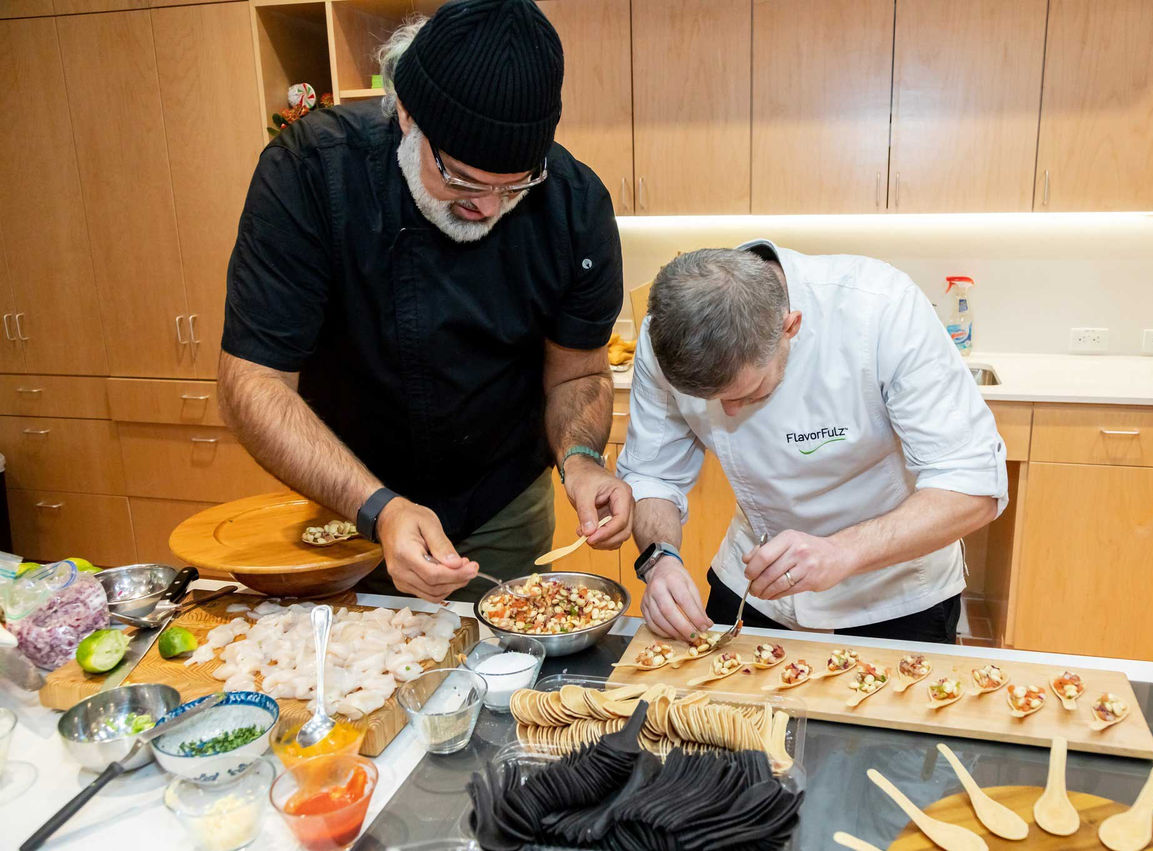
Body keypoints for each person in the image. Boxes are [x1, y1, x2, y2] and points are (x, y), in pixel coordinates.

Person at [219, 0, 633, 603]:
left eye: (514, 186)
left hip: (503, 503)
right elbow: (254, 380)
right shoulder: (311, 172)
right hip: (346, 501)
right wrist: (379, 509)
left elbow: (580, 374)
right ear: (407, 113)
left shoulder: (573, 204)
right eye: (461, 178)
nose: (486, 206)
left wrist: (581, 460)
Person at [618, 241, 1007, 644]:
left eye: (747, 393)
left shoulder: (880, 307)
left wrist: (841, 552)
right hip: (756, 582)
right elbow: (652, 474)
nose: (728, 412)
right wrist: (659, 559)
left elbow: (973, 486)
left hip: (896, 591)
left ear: (790, 327)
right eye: (711, 402)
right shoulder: (663, 335)